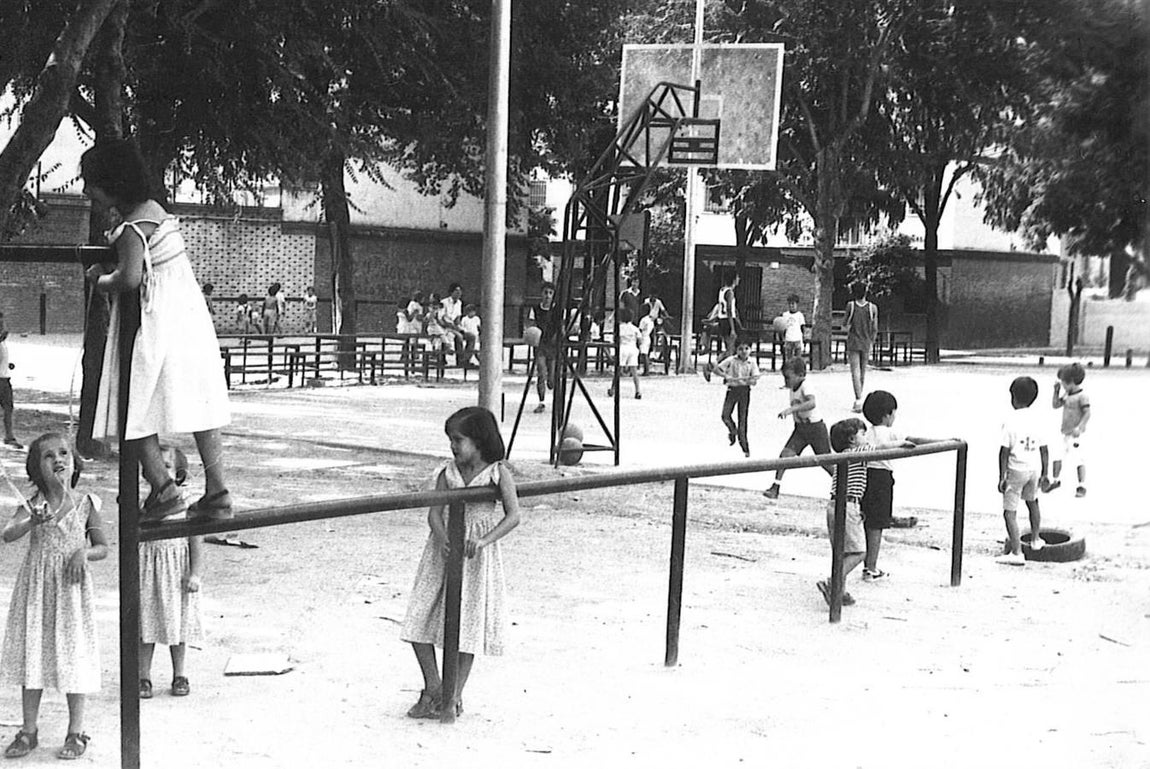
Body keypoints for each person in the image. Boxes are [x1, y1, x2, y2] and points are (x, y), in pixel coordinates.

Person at [81, 139, 233, 523]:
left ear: (112, 184)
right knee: (202, 404)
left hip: (157, 319)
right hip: (189, 318)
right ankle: (218, 489)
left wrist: (99, 280)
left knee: (134, 400)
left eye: (91, 183)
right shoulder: (157, 213)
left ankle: (162, 486)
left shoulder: (132, 228)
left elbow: (129, 279)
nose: (86, 192)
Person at [401, 407, 521, 719]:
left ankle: (453, 695)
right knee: (419, 616)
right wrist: (441, 538)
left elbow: (513, 515)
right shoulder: (447, 472)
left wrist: (483, 540)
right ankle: (433, 686)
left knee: (467, 623)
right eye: (451, 440)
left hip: (474, 553)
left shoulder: (497, 473)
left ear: (479, 440)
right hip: (443, 550)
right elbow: (434, 513)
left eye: (459, 439)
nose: (454, 446)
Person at [0, 433, 108, 760]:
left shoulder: (87, 502)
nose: (58, 459)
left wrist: (83, 554)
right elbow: (7, 535)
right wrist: (30, 521)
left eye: (64, 453)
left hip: (71, 591)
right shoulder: (32, 505)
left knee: (73, 655)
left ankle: (76, 731)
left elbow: (102, 547)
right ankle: (28, 730)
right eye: (48, 456)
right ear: (35, 469)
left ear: (74, 462)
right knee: (34, 653)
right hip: (37, 591)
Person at [138, 446, 203, 701]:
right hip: (150, 573)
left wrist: (195, 573)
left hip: (176, 573)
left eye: (166, 466)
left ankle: (180, 674)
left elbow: (195, 540)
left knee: (179, 624)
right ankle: (144, 676)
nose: (159, 472)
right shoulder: (144, 505)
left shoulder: (186, 505)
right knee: (146, 625)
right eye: (155, 467)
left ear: (178, 475)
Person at [859, 391, 932, 580]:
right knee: (877, 524)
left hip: (864, 476)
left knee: (866, 521)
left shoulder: (865, 432)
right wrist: (942, 441)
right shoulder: (891, 432)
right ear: (887, 415)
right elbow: (915, 441)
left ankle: (866, 562)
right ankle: (871, 567)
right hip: (882, 479)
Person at [996, 376, 1050, 566]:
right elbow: (1044, 449)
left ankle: (1017, 552)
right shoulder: (1038, 420)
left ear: (1014, 397)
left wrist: (1001, 476)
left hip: (1016, 469)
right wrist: (1045, 474)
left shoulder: (1010, 420)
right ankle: (1035, 539)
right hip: (1034, 469)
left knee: (1009, 511)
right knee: (1032, 501)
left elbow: (1004, 452)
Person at [816, 418, 869, 608]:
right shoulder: (858, 452)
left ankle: (840, 591)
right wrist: (902, 444)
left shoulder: (841, 457)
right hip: (848, 505)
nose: (867, 438)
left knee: (841, 551)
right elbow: (883, 448)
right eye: (863, 434)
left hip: (834, 505)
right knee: (859, 552)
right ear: (852, 439)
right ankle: (833, 581)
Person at [762, 356, 832, 500]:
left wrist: (792, 409)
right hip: (800, 429)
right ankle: (776, 486)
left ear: (800, 375)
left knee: (826, 462)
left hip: (815, 428)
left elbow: (812, 403)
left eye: (788, 377)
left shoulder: (806, 385)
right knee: (785, 455)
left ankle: (843, 485)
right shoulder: (793, 386)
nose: (786, 381)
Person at [712, 338, 760, 457]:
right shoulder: (731, 360)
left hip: (744, 392)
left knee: (742, 419)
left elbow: (755, 380)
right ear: (736, 350)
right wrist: (726, 376)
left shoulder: (752, 363)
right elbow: (716, 369)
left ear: (750, 350)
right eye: (740, 349)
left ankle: (745, 447)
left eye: (746, 348)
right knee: (725, 415)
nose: (743, 351)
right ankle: (733, 430)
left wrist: (749, 380)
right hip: (732, 390)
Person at [1048, 362, 1089, 498]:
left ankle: (1082, 484)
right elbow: (1055, 405)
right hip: (1064, 432)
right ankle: (1055, 480)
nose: (1063, 386)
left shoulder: (1082, 396)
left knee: (1078, 459)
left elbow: (1087, 413)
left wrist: (1080, 427)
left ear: (1071, 382)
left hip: (1075, 434)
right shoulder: (1067, 394)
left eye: (1064, 383)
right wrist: (1056, 391)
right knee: (1057, 455)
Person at [527, 282, 562, 413]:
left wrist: (559, 337)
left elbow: (561, 327)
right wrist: (531, 335)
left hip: (553, 345)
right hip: (540, 344)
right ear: (541, 294)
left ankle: (552, 386)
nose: (547, 296)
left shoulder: (557, 310)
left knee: (552, 378)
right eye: (545, 293)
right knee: (541, 372)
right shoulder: (535, 309)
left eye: (550, 293)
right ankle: (541, 402)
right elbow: (530, 325)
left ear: (553, 295)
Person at [845, 282, 878, 412]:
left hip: (853, 341)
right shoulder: (873, 308)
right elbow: (875, 328)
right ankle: (859, 399)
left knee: (855, 371)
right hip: (866, 341)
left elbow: (845, 324)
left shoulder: (851, 306)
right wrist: (872, 342)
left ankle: (858, 399)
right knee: (862, 371)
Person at [703, 272, 740, 381]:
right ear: (733, 280)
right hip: (728, 321)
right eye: (737, 277)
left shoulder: (722, 290)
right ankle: (711, 367)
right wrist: (733, 328)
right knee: (730, 350)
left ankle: (722, 372)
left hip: (722, 320)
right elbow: (729, 309)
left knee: (730, 349)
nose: (739, 279)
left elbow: (721, 307)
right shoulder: (730, 292)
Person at [608, 307, 642, 400]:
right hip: (633, 348)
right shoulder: (635, 328)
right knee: (634, 371)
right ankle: (637, 390)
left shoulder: (619, 328)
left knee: (618, 370)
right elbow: (640, 340)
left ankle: (613, 389)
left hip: (622, 349)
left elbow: (615, 340)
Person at [1, 313, 22, 449]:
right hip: (1, 381)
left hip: (4, 377)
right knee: (8, 408)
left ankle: (9, 436)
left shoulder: (2, 342)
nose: (4, 327)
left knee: (8, 408)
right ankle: (9, 436)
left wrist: (7, 365)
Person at [441, 283, 467, 360]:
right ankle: (460, 359)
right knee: (459, 337)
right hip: (445, 326)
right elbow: (441, 317)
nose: (459, 293)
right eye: (456, 291)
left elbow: (457, 318)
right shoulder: (444, 302)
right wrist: (449, 325)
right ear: (451, 292)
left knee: (471, 336)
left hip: (454, 327)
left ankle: (466, 359)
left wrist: (460, 327)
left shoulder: (459, 303)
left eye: (460, 291)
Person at [779, 294, 806, 363]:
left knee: (798, 358)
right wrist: (783, 338)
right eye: (790, 304)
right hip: (788, 339)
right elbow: (782, 327)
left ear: (797, 304)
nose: (791, 306)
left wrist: (803, 337)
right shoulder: (785, 315)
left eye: (793, 304)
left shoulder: (799, 315)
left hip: (797, 339)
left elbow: (802, 327)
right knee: (788, 359)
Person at [637, 304, 655, 376]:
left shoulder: (643, 320)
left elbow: (640, 329)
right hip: (648, 337)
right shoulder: (650, 320)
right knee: (644, 354)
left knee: (644, 355)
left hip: (643, 337)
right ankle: (645, 370)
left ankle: (646, 370)